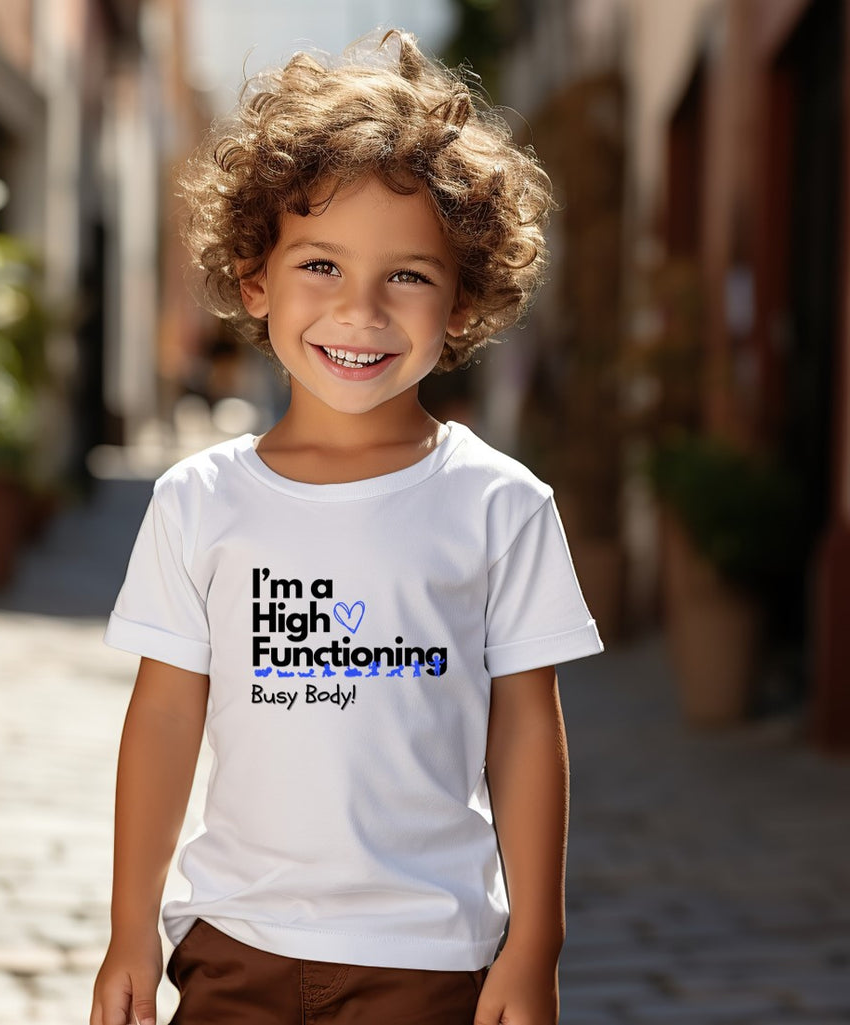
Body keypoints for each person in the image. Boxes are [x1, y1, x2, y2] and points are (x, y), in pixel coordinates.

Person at [90, 28, 603, 1025]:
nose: (359, 310)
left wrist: (535, 941)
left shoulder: (500, 506)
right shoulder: (198, 500)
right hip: (234, 950)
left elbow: (526, 729)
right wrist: (128, 927)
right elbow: (165, 717)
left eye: (407, 275)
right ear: (255, 279)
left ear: (462, 301)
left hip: (428, 962)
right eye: (320, 264)